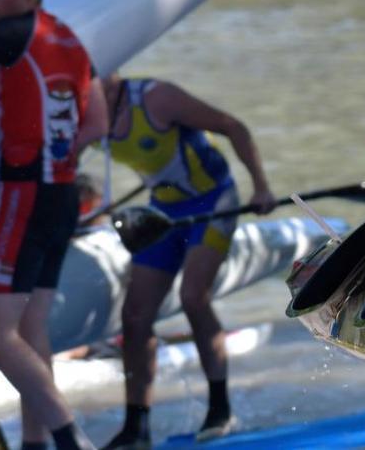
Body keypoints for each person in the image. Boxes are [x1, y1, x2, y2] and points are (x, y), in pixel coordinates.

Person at [0, 0, 107, 450]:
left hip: (22, 196)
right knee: (31, 328)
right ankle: (35, 444)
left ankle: (68, 437)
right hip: (61, 194)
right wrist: (58, 151)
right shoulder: (71, 41)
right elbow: (95, 122)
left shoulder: (8, 34)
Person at [100, 73, 275, 449]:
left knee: (193, 295)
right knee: (134, 315)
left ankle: (220, 409)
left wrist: (260, 186)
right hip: (162, 211)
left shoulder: (157, 98)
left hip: (213, 201)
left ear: (112, 76)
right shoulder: (83, 112)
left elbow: (233, 126)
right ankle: (136, 427)